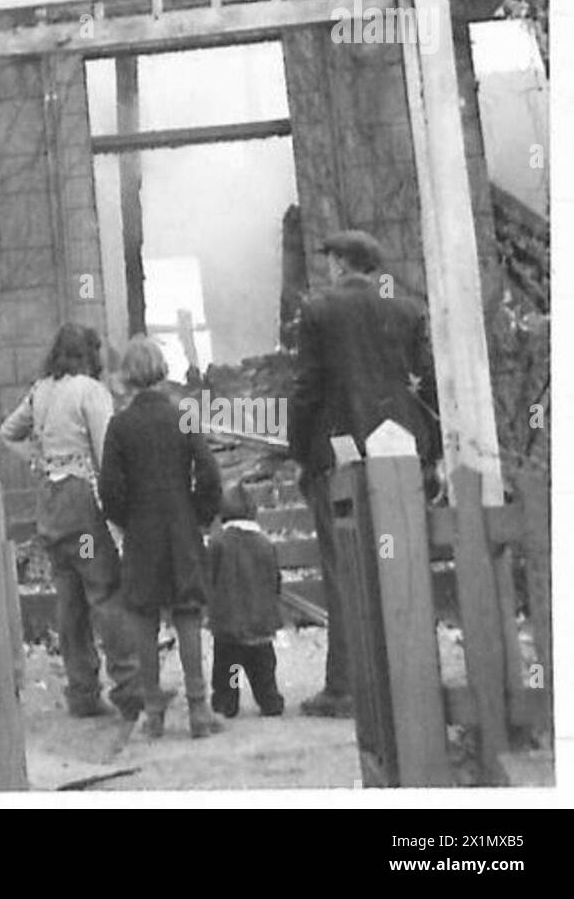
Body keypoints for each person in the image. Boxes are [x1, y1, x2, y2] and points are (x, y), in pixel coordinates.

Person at [287, 228, 441, 718]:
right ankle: (414, 680)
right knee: (404, 563)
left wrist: (299, 450)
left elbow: (308, 389)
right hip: (401, 454)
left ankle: (347, 686)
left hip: (340, 456)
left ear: (341, 262)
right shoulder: (407, 308)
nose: (327, 266)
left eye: (329, 257)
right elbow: (427, 385)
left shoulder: (319, 310)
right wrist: (431, 451)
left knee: (343, 570)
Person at [0, 323, 143, 720]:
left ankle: (82, 692)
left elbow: (7, 433)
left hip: (50, 504)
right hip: (82, 502)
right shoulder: (90, 392)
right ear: (89, 355)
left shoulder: (39, 390)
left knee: (70, 599)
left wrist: (39, 458)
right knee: (104, 592)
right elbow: (106, 452)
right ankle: (129, 687)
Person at [99, 335, 224, 740]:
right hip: (182, 525)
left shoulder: (119, 425)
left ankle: (153, 713)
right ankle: (199, 709)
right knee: (187, 613)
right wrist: (200, 515)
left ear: (128, 377)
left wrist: (127, 520)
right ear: (161, 371)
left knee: (143, 618)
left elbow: (109, 490)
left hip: (141, 532)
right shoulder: (184, 414)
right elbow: (208, 472)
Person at [208, 482, 285, 719]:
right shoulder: (265, 543)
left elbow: (209, 578)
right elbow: (276, 580)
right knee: (263, 669)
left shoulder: (219, 542)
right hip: (261, 624)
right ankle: (269, 699)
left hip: (229, 626)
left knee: (230, 670)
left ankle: (228, 701)